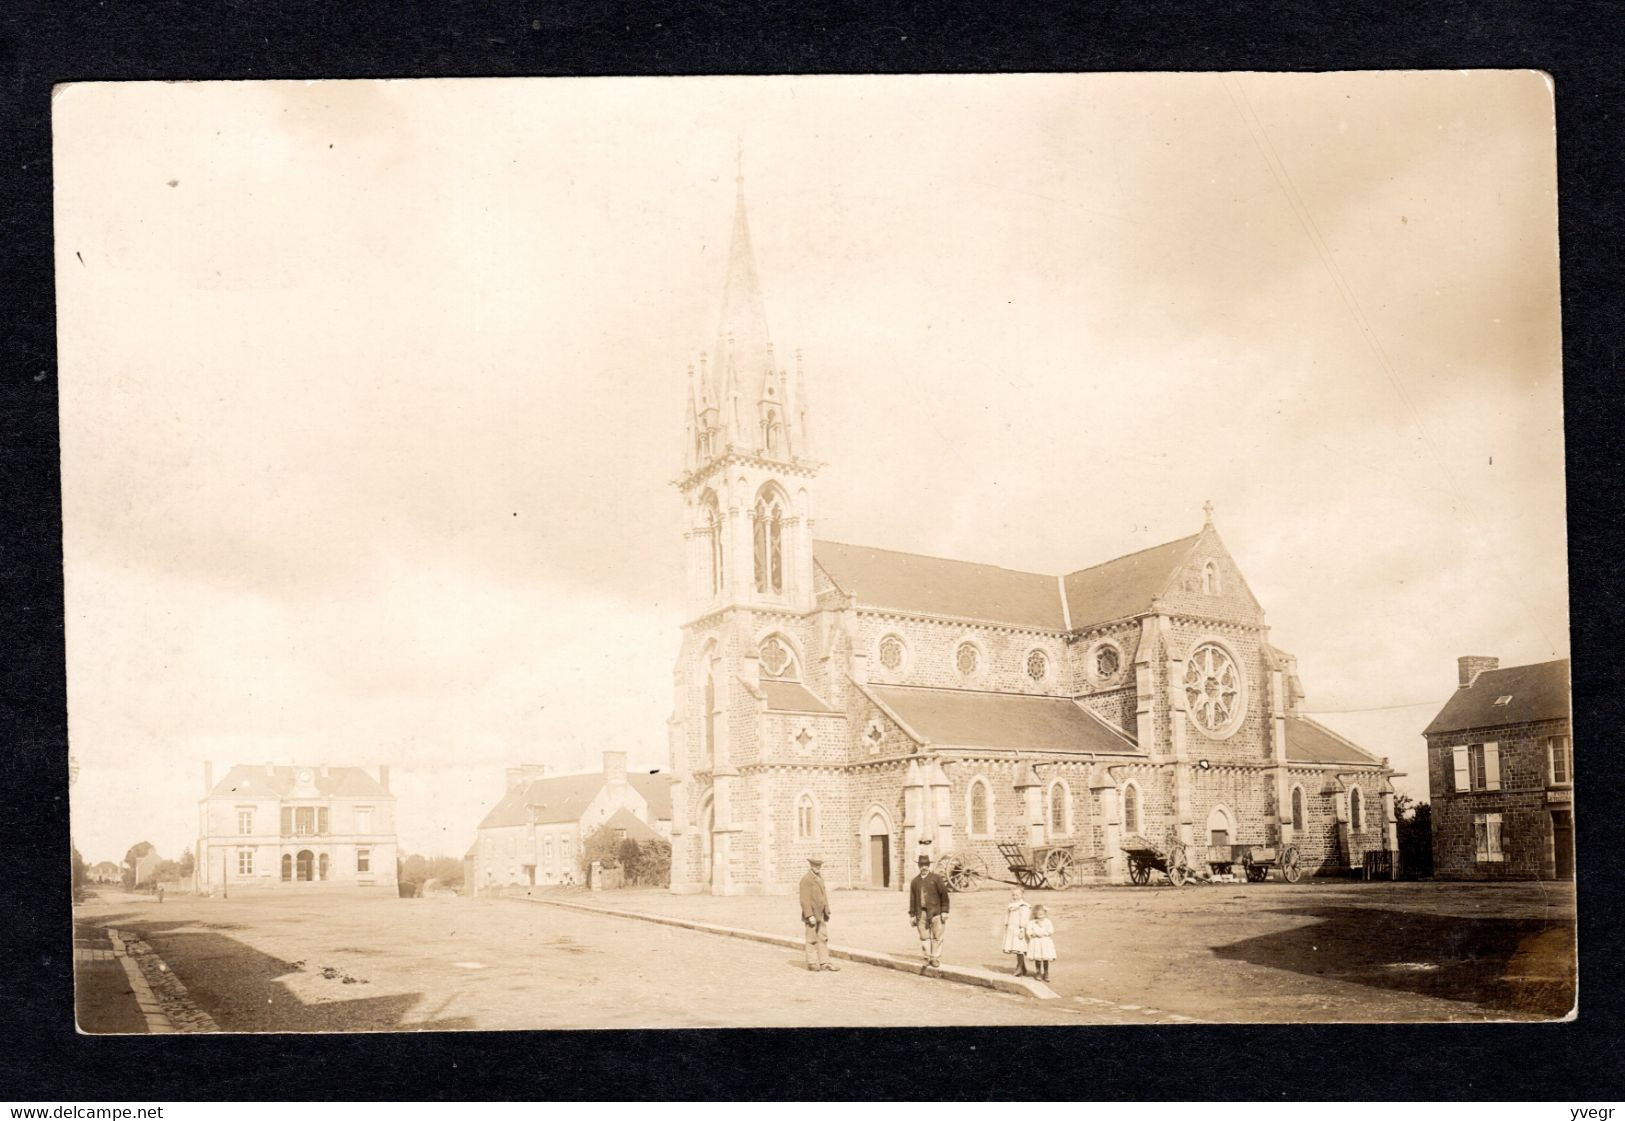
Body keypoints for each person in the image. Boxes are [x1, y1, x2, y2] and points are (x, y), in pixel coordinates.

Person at [908, 853, 951, 968]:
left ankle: (935, 958)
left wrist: (945, 911)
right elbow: (912, 899)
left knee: (937, 936)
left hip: (936, 912)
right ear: (919, 866)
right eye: (922, 865)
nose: (924, 867)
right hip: (920, 913)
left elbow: (944, 896)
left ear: (929, 865)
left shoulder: (936, 879)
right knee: (924, 936)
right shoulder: (915, 882)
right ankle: (927, 956)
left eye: (926, 864)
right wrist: (912, 914)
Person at [798, 855, 839, 972]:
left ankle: (824, 962)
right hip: (812, 915)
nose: (817, 867)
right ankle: (812, 962)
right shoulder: (806, 879)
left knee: (823, 938)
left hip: (821, 913)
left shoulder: (819, 878)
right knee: (811, 938)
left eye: (819, 866)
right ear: (810, 866)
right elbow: (804, 899)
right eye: (815, 865)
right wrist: (809, 915)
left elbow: (823, 895)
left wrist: (827, 910)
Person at [1002, 886, 1031, 976]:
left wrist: (1022, 930)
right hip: (1012, 929)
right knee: (1015, 948)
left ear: (1022, 895)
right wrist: (1006, 923)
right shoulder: (1011, 905)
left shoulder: (1024, 906)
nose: (1015, 897)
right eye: (1013, 895)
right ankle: (1023, 968)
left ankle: (1019, 967)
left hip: (1019, 929)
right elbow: (1007, 915)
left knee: (1019, 948)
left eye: (1017, 895)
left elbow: (1024, 919)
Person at [1026, 904, 1056, 982]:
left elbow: (1051, 930)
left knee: (1045, 958)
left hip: (1045, 941)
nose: (1040, 915)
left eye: (1042, 914)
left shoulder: (1047, 921)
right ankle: (1038, 972)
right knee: (1038, 958)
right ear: (1035, 914)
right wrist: (1033, 934)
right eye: (1038, 914)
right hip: (1036, 942)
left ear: (1045, 913)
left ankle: (1046, 973)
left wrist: (1044, 933)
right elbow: (1028, 930)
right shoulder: (1032, 922)